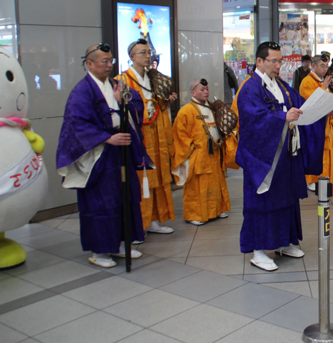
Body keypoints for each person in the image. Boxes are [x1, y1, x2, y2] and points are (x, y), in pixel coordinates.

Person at [235, 41, 325, 271]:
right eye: (273, 61)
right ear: (259, 62)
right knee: (263, 201)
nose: (278, 66)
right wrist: (282, 117)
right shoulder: (250, 87)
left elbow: (300, 105)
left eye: (280, 61)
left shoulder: (282, 85)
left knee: (286, 198)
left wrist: (322, 107)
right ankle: (258, 249)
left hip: (285, 153)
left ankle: (284, 242)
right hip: (263, 158)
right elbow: (253, 118)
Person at [57, 44, 146, 268]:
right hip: (98, 154)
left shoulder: (117, 84)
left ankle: (120, 243)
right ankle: (100, 252)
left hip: (120, 150)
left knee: (125, 196)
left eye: (110, 61)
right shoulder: (82, 91)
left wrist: (122, 100)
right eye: (103, 61)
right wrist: (106, 138)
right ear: (89, 63)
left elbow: (136, 104)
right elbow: (76, 124)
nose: (108, 66)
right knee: (102, 202)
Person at [117, 39, 177, 235]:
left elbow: (160, 104)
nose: (147, 55)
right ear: (132, 56)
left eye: (149, 52)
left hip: (156, 133)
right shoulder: (123, 80)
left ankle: (154, 220)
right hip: (139, 136)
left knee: (157, 177)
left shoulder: (154, 78)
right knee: (140, 179)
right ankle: (138, 223)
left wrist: (167, 101)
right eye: (142, 52)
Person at [172, 78, 235, 225]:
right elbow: (178, 134)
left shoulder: (213, 107)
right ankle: (195, 214)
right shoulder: (186, 110)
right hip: (198, 155)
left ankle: (217, 210)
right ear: (193, 92)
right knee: (197, 185)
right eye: (202, 90)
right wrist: (190, 146)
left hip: (214, 152)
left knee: (216, 181)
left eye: (207, 89)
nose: (206, 92)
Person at [300, 55, 333, 188]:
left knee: (331, 151)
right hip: (315, 125)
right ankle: (312, 180)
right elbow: (310, 103)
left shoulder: (326, 81)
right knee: (317, 151)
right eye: (322, 66)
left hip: (329, 123)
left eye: (326, 66)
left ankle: (331, 176)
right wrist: (322, 88)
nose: (325, 69)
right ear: (313, 66)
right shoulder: (307, 82)